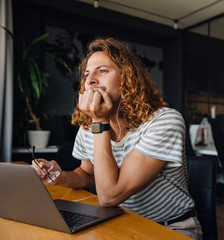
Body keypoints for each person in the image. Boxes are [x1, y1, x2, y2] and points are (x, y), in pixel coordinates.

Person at [32, 38, 202, 239]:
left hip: (170, 228)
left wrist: (100, 122)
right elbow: (87, 174)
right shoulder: (90, 125)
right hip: (121, 222)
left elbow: (110, 195)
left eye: (102, 71)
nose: (90, 80)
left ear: (127, 78)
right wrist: (61, 177)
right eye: (87, 74)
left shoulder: (165, 121)